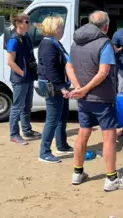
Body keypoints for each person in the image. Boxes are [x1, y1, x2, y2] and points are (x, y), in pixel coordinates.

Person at [66, 10, 123, 191]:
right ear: (106, 26)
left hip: (83, 98)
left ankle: (77, 173)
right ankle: (111, 179)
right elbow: (103, 72)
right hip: (102, 97)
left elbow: (69, 66)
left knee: (83, 133)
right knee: (109, 136)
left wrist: (79, 88)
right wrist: (85, 89)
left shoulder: (75, 42)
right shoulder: (104, 43)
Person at [36, 16, 74, 163]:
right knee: (52, 119)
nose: (62, 29)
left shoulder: (55, 43)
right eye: (60, 27)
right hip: (53, 85)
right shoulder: (48, 44)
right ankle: (44, 152)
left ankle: (62, 145)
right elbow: (50, 69)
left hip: (58, 84)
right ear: (53, 28)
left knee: (62, 116)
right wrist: (61, 87)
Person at [7, 13, 41, 145]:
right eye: (27, 22)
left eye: (29, 21)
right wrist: (22, 73)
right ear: (18, 24)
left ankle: (27, 130)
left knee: (27, 106)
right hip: (20, 79)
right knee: (17, 107)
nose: (30, 24)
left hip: (28, 77)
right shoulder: (13, 40)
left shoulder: (25, 37)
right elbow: (10, 62)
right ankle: (14, 135)